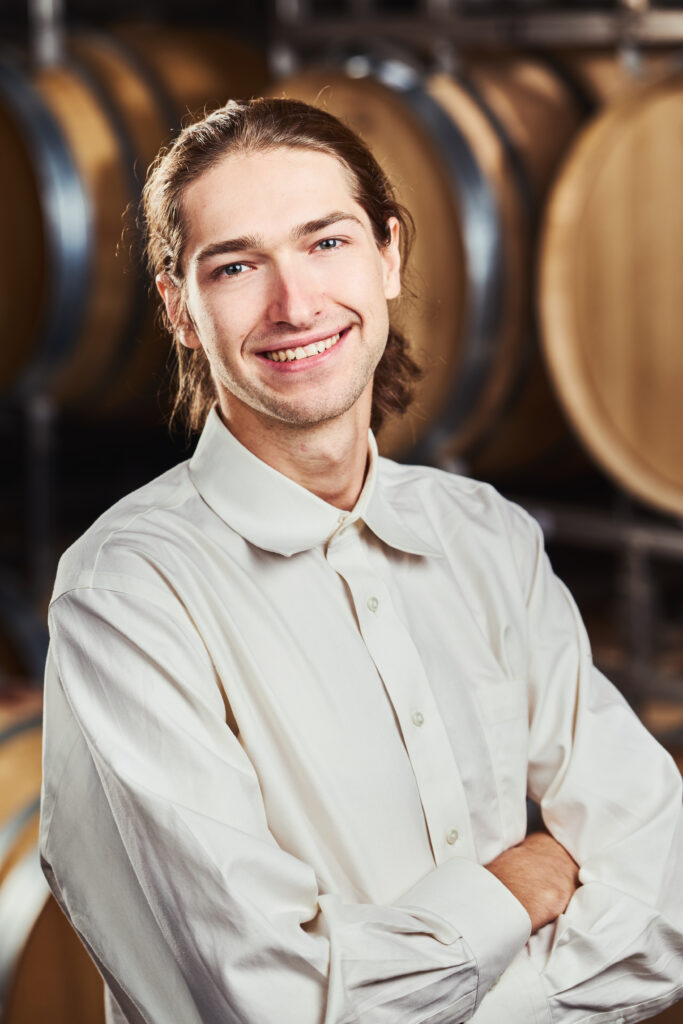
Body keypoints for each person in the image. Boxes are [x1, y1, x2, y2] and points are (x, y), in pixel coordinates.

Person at [39, 97, 683, 1024]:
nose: (293, 303)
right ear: (180, 309)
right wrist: (517, 893)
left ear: (389, 255)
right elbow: (268, 1003)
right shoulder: (126, 594)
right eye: (235, 265)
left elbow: (661, 888)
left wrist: (424, 982)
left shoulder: (485, 535)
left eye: (326, 243)